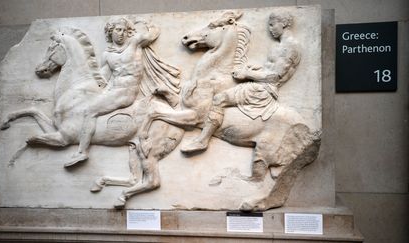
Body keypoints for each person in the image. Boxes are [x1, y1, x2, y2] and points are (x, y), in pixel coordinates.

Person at [181, 11, 301, 153]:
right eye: (269, 25)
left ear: (284, 24)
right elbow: (271, 69)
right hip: (261, 84)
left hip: (262, 90)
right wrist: (256, 69)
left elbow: (275, 77)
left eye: (272, 25)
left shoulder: (289, 47)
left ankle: (202, 140)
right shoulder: (281, 46)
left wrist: (247, 74)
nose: (270, 29)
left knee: (219, 98)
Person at [65, 17, 160, 167]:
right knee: (87, 104)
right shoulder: (107, 54)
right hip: (114, 90)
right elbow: (103, 79)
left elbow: (152, 34)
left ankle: (82, 152)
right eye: (117, 30)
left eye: (123, 30)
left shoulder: (134, 43)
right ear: (111, 32)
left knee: (90, 111)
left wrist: (146, 22)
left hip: (127, 92)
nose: (121, 34)